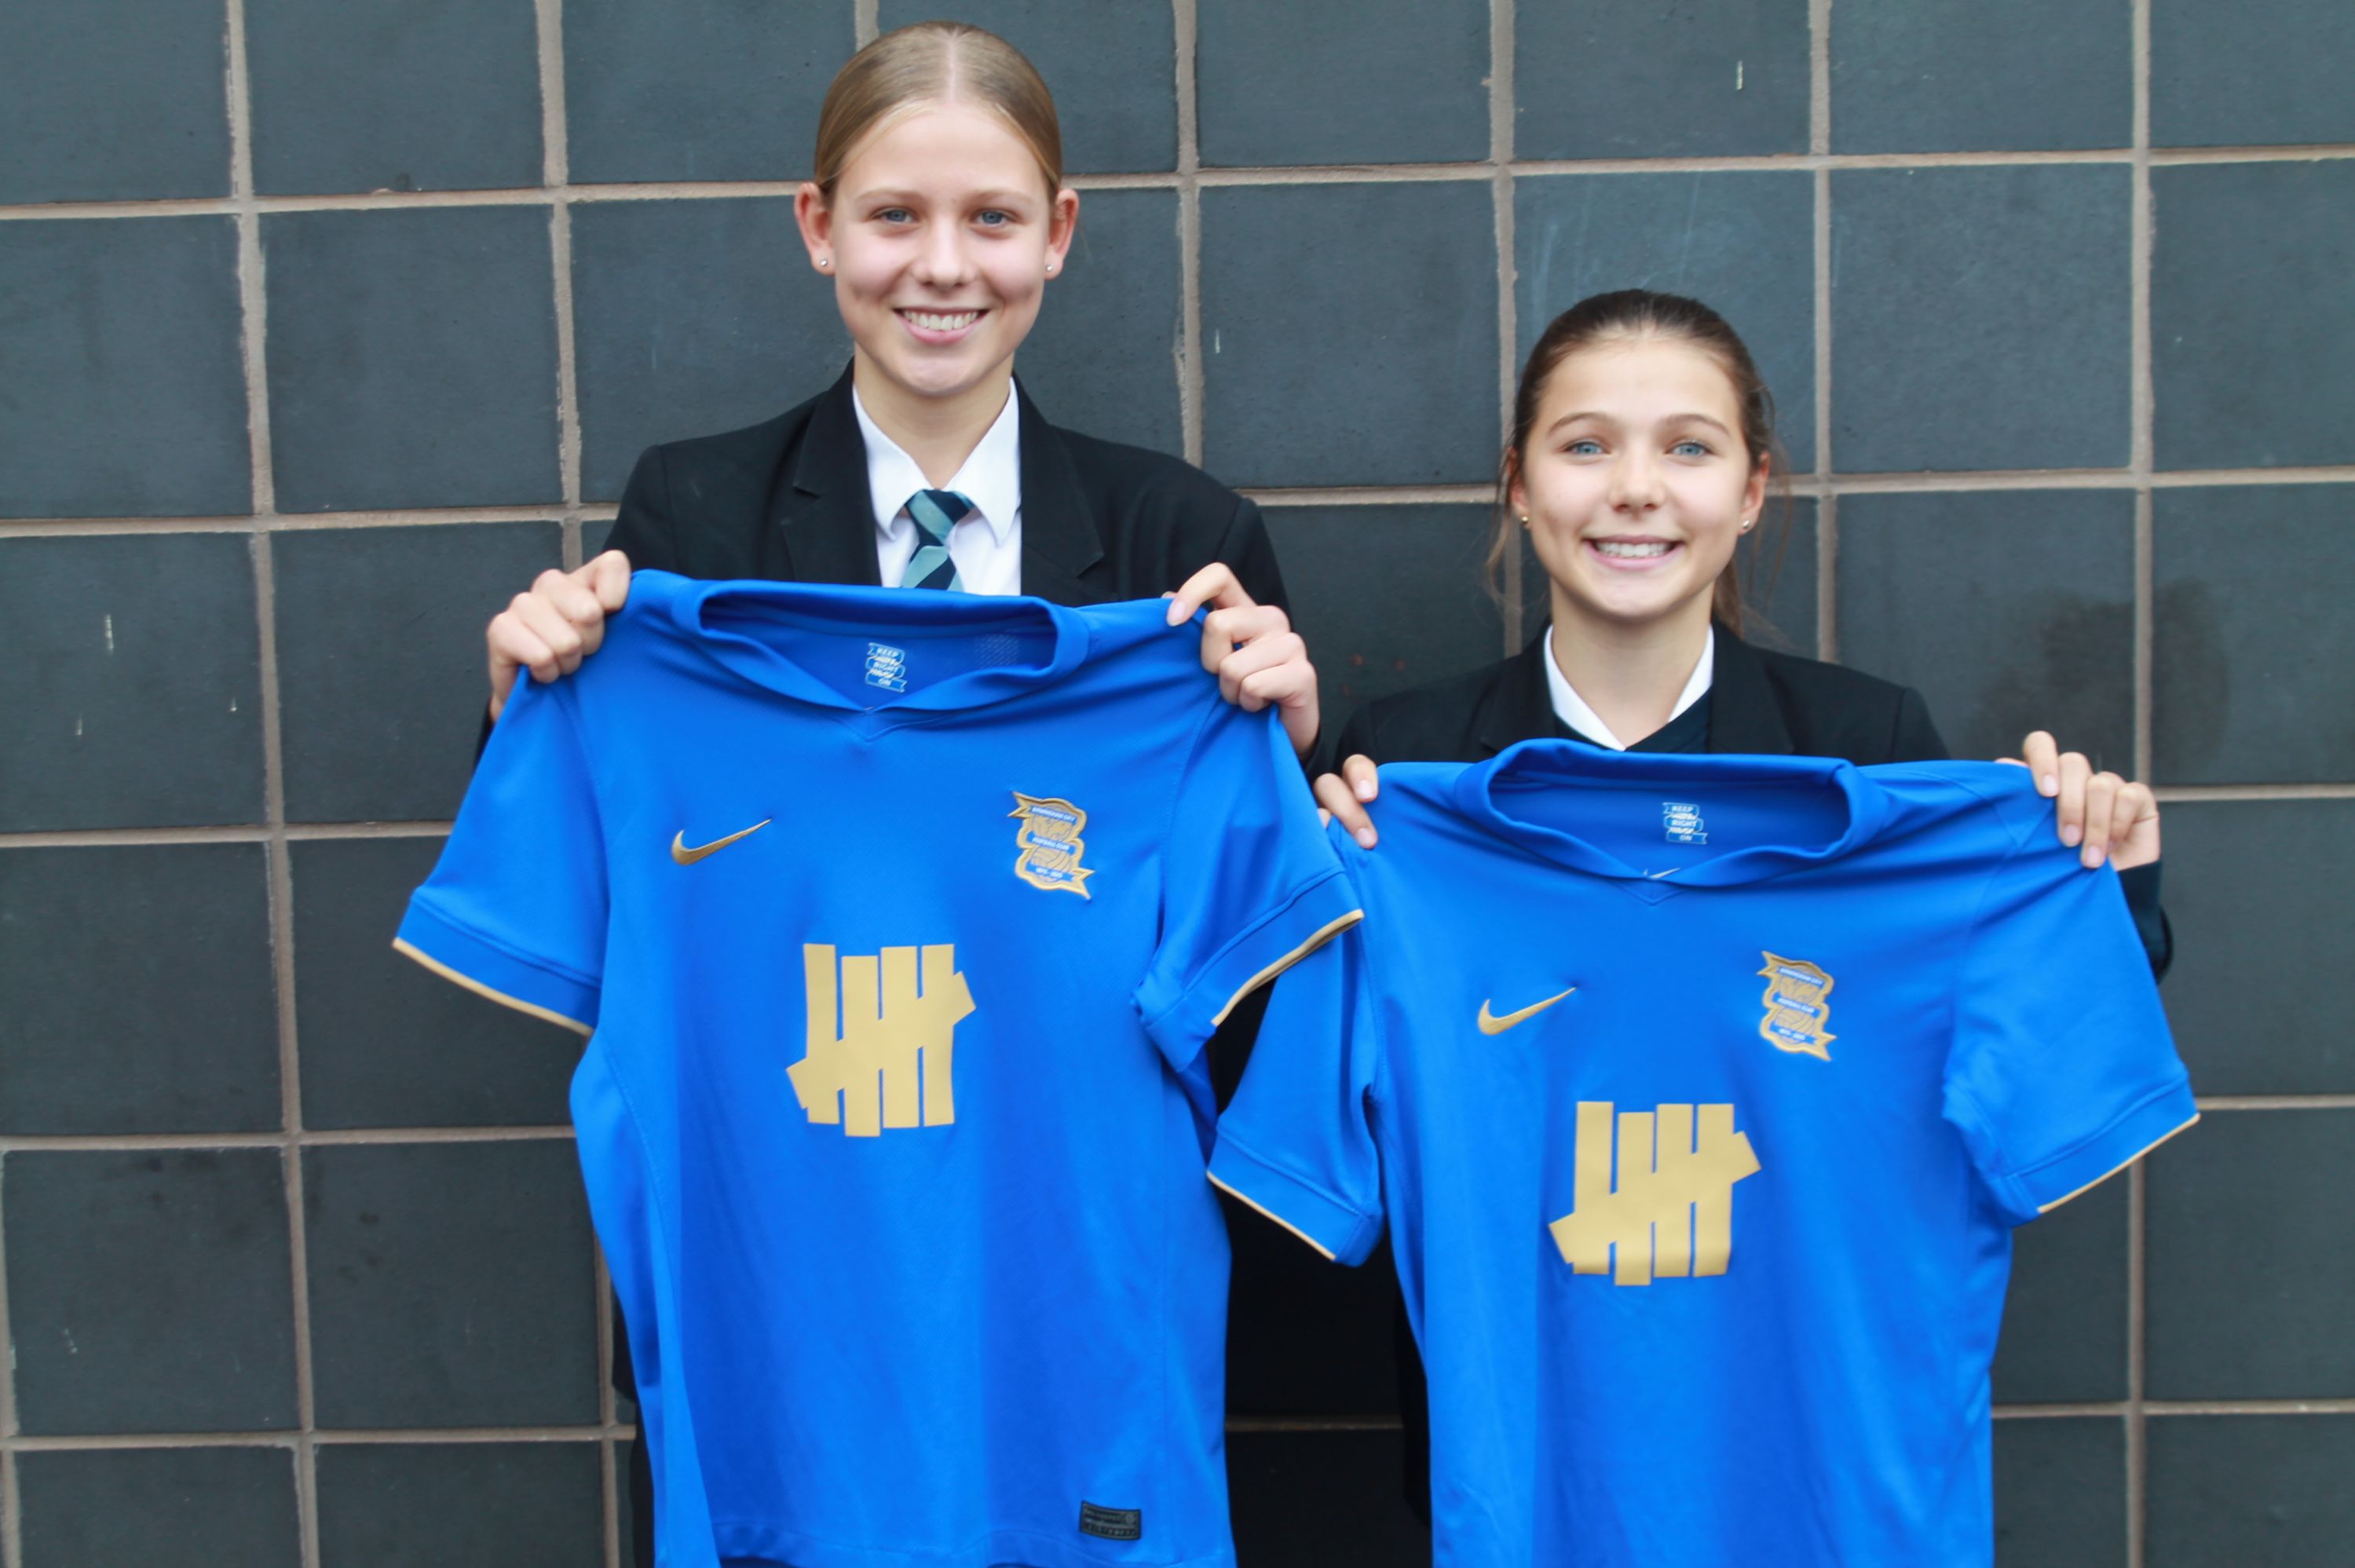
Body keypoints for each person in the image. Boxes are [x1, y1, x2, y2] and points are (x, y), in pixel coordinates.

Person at [470, 25, 1317, 1563]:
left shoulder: (1179, 546)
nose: (942, 265)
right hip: (785, 1284)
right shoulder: (692, 518)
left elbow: (1251, 966)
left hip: (1055, 1292)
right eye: (893, 216)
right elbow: (611, 874)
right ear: (819, 227)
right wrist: (526, 705)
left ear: (1058, 233)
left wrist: (1289, 757)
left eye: (991, 217)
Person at [1305, 287, 2171, 1522]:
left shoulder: (1873, 752)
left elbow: (2011, 1034)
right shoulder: (1400, 770)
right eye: (1586, 444)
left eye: (1689, 447)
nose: (1636, 489)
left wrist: (2097, 879)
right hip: (1535, 1494)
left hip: (1813, 1485)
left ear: (1753, 489)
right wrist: (1314, 878)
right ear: (1519, 484)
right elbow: (1325, 1079)